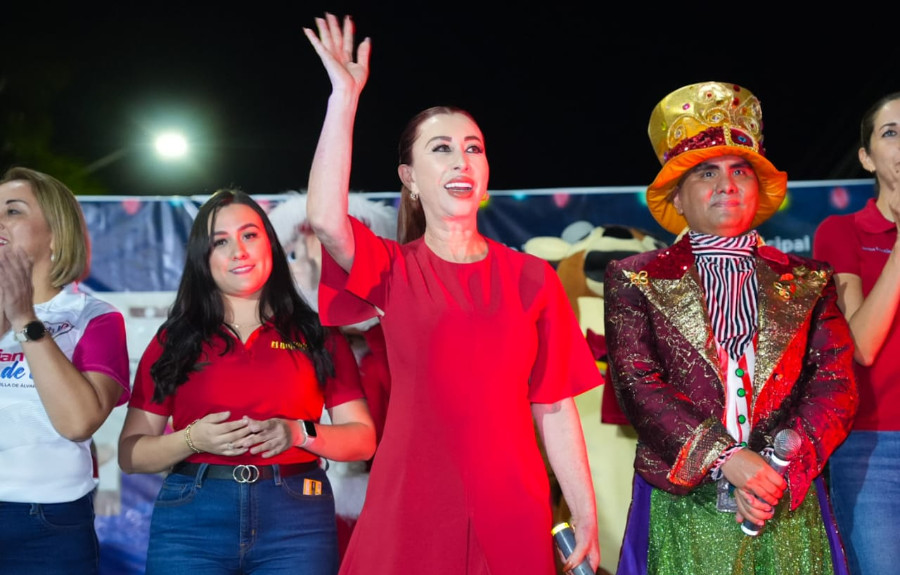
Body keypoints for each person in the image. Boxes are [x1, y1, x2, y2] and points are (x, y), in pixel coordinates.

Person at [303, 13, 603, 575]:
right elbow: (324, 218)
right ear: (410, 177)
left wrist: (585, 512)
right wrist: (344, 97)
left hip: (512, 499)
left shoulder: (532, 277)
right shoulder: (392, 269)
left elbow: (556, 406)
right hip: (413, 498)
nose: (461, 160)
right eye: (441, 149)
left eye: (473, 148)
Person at [604, 82, 858, 575]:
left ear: (757, 188)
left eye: (739, 170)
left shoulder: (809, 280)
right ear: (677, 197)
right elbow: (638, 385)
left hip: (782, 500)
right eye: (707, 172)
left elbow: (835, 384)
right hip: (682, 500)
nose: (726, 184)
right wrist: (726, 459)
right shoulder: (634, 278)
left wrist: (775, 470)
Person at [117, 188, 376, 575]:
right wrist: (192, 439)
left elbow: (362, 439)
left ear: (270, 243)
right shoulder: (175, 339)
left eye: (249, 235)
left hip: (296, 519)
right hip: (192, 522)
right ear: (203, 258)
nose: (238, 251)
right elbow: (131, 454)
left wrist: (298, 433)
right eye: (220, 242)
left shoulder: (317, 334)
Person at [0, 166, 131, 575]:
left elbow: (78, 422)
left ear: (56, 234)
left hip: (45, 523)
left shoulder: (93, 317)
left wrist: (24, 318)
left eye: (13, 211)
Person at [812, 92, 900, 575]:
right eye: (891, 133)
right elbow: (860, 345)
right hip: (874, 449)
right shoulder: (841, 231)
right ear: (866, 157)